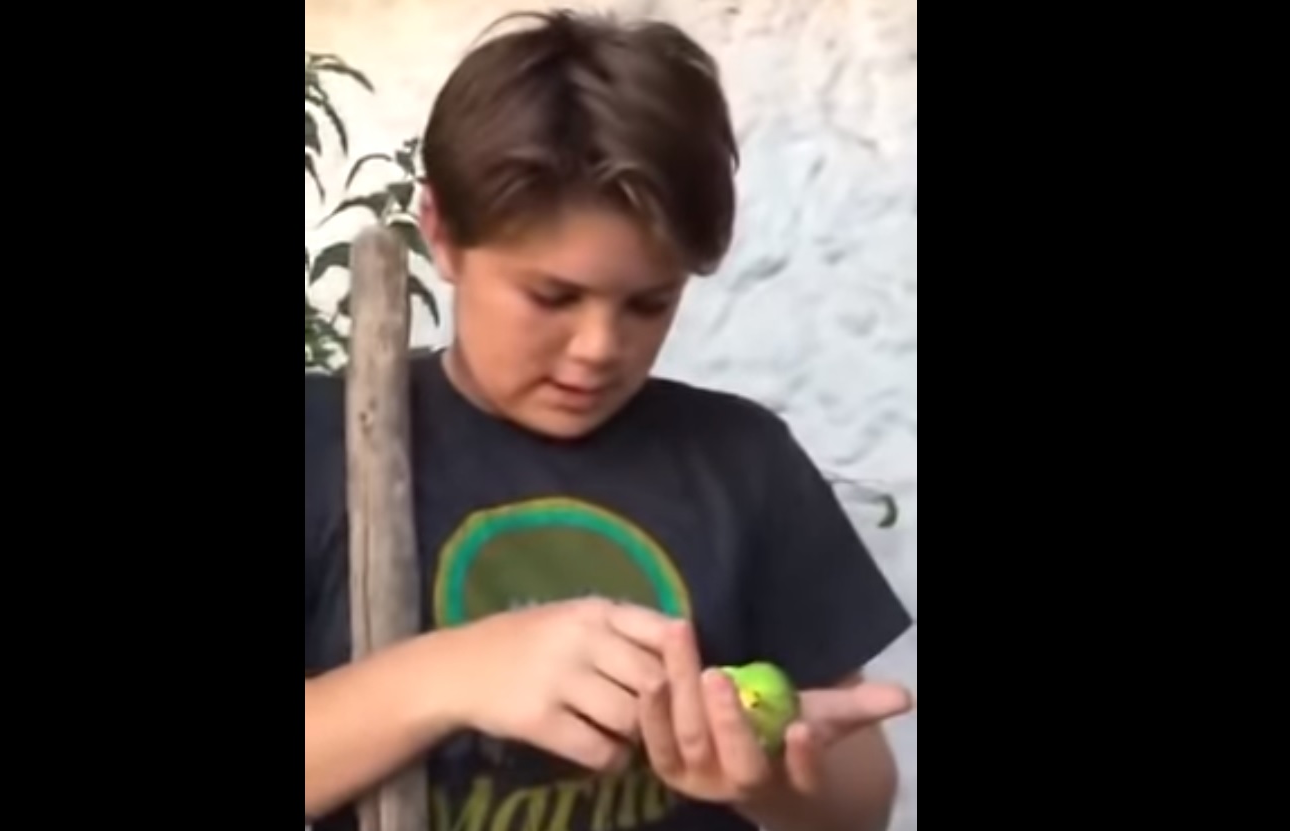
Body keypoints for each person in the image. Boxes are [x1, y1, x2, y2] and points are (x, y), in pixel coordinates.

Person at [305, 10, 914, 831]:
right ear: (441, 232)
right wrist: (447, 675)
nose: (599, 347)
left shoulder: (742, 461)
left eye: (648, 303)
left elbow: (858, 804)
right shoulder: (326, 444)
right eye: (552, 295)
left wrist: (769, 775)